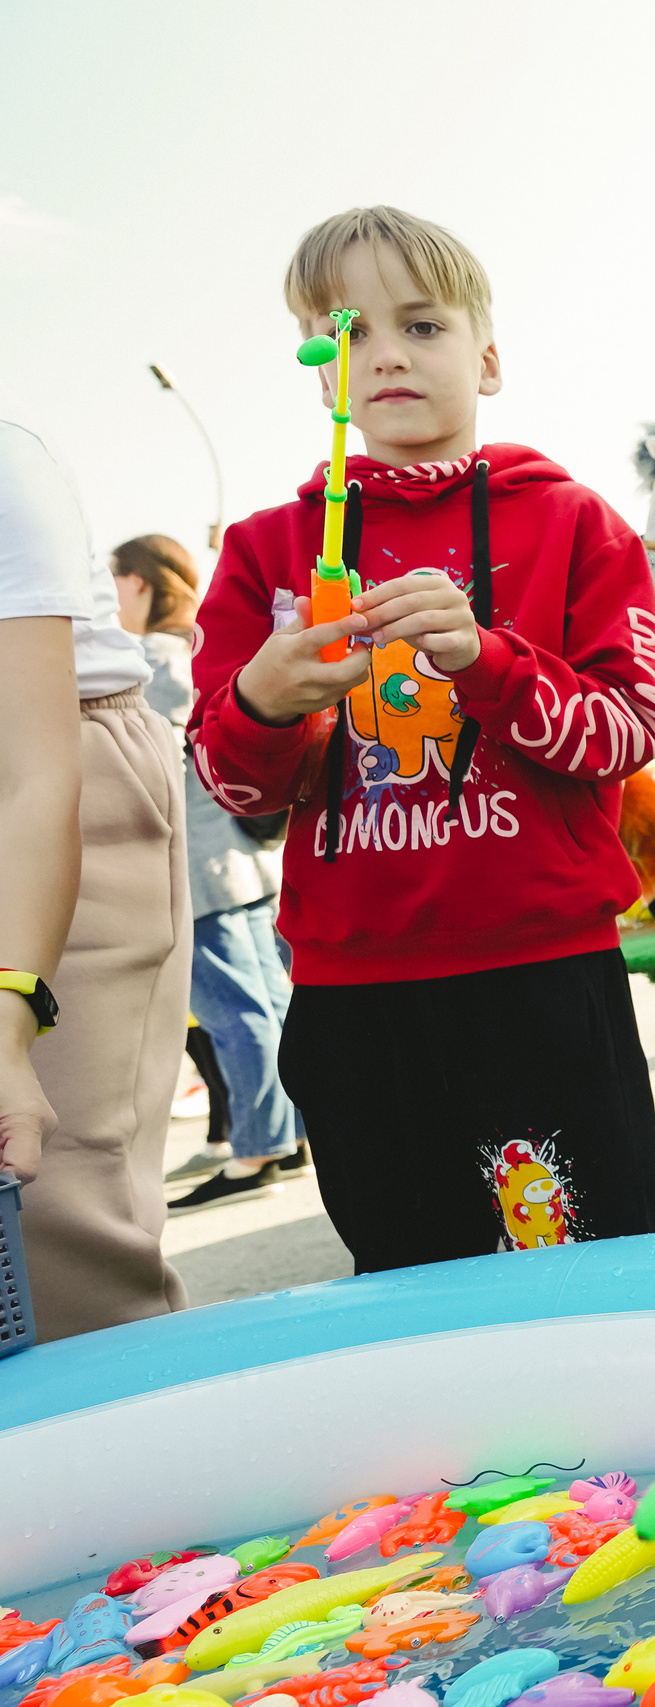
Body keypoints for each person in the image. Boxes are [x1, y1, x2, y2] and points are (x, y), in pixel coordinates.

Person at [188, 207, 655, 1271]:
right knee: (409, 1282)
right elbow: (234, 786)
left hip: (540, 981)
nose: (389, 355)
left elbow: (630, 728)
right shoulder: (267, 551)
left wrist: (489, 662)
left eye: (424, 325)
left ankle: (610, 1448)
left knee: (585, 1274)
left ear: (487, 358)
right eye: (350, 332)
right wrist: (266, 701)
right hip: (354, 1003)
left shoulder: (577, 524)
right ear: (322, 374)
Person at [0, 385, 191, 1339]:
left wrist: (8, 1020)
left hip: (53, 774)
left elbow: (35, 780)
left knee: (53, 1219)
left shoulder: (7, 458)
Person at [110, 533, 308, 1209]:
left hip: (198, 867)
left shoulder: (142, 664)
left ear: (137, 583)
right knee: (273, 1004)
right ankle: (290, 1131)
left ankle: (258, 1151)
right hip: (247, 857)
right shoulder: (192, 651)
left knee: (235, 1014)